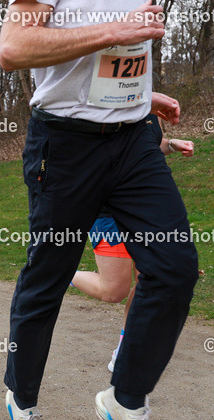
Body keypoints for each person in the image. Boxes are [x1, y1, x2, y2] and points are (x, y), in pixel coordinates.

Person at [0, 0, 199, 420]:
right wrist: (119, 29)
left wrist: (144, 94)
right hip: (65, 147)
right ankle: (23, 402)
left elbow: (106, 54)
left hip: (133, 141)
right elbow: (15, 48)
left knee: (175, 267)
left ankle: (126, 398)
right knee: (47, 278)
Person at [72, 115, 194, 372]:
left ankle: (126, 347)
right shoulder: (105, 107)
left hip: (147, 211)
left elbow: (148, 146)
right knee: (114, 291)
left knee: (148, 280)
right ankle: (65, 274)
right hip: (109, 212)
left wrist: (170, 144)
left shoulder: (153, 110)